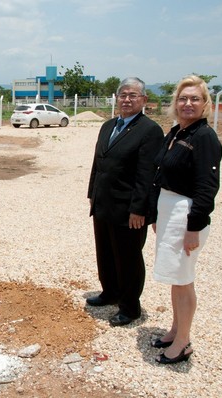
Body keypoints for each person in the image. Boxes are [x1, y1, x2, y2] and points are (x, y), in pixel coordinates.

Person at [150, 75, 222, 364]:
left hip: (186, 215)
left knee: (184, 279)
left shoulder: (204, 137)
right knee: (175, 277)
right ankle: (175, 330)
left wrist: (194, 227)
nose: (188, 103)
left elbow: (208, 186)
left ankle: (183, 343)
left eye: (194, 99)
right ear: (175, 103)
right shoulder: (178, 132)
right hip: (170, 212)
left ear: (205, 104)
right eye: (183, 98)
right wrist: (157, 214)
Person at [87, 77, 164, 326]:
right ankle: (110, 292)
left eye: (133, 95)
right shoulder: (108, 126)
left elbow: (146, 174)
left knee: (128, 258)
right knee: (106, 253)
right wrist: (93, 194)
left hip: (129, 210)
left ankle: (130, 307)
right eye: (123, 95)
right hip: (104, 204)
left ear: (143, 100)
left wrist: (139, 209)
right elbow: (98, 163)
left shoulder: (149, 130)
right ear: (117, 98)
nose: (127, 99)